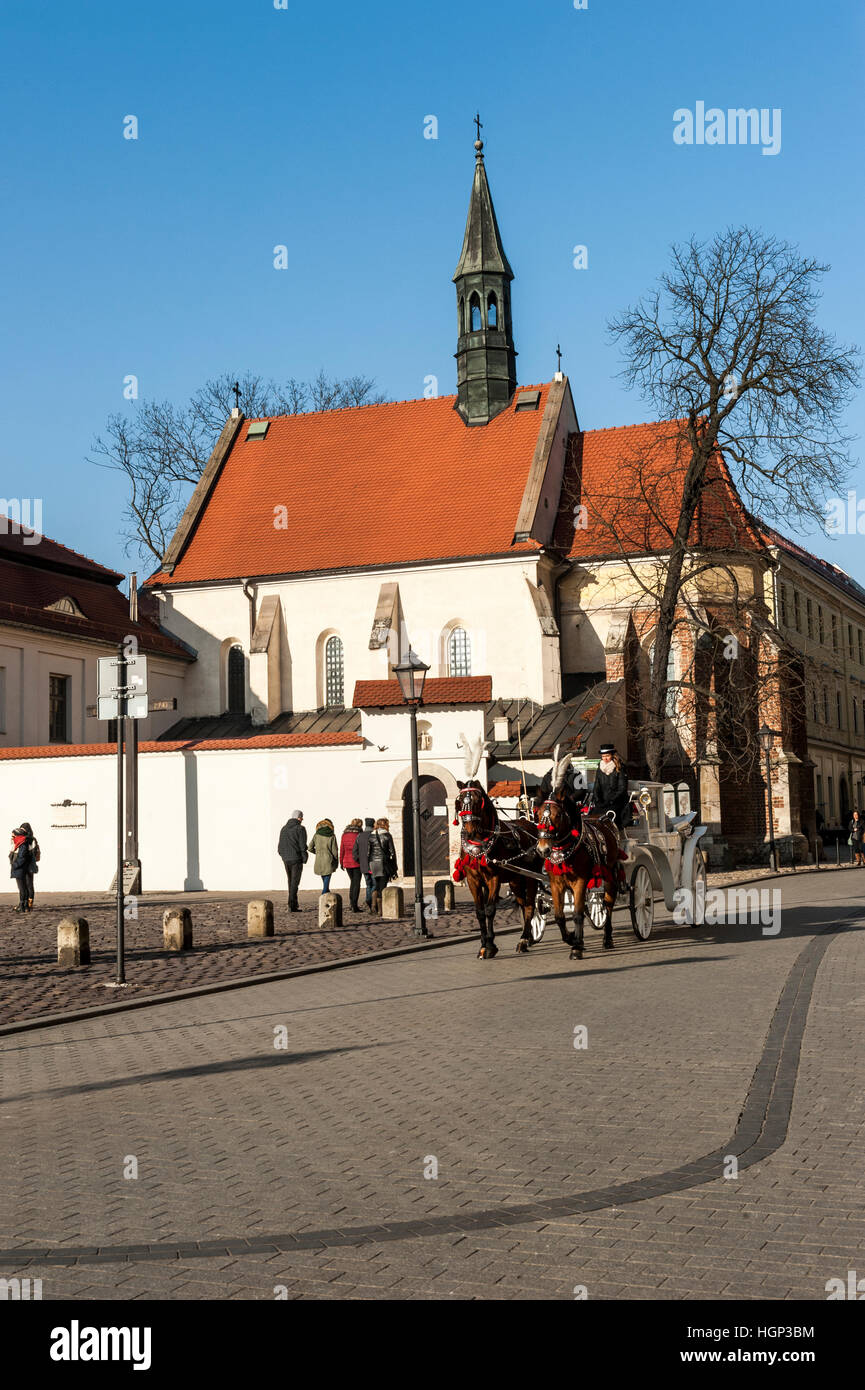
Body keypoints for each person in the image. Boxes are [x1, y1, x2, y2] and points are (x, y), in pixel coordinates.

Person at [590, 744, 630, 827]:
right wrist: (598, 800)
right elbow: (597, 786)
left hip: (617, 801)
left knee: (608, 815)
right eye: (603, 756)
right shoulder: (600, 769)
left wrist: (611, 800)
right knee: (593, 816)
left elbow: (622, 788)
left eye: (607, 755)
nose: (605, 758)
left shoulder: (619, 768)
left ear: (612, 755)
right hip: (603, 801)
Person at [366, 817, 398, 915]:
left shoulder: (371, 836)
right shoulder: (387, 835)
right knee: (382, 886)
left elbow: (368, 852)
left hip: (373, 863)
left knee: (376, 884)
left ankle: (373, 907)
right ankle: (380, 910)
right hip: (383, 863)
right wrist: (394, 866)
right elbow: (392, 852)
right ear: (386, 825)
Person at [277, 809, 308, 911]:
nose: (302, 819)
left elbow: (280, 845)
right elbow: (302, 845)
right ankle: (292, 905)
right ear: (299, 818)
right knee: (295, 882)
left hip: (286, 859)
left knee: (290, 881)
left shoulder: (284, 829)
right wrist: (304, 857)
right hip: (296, 858)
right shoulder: (300, 829)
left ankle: (293, 903)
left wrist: (283, 855)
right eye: (301, 817)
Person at [9, 822, 39, 912]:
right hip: (26, 864)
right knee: (25, 886)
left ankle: (28, 905)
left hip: (27, 865)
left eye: (23, 829)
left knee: (27, 885)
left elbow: (31, 853)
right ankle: (25, 904)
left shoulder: (28, 840)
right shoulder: (23, 839)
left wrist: (17, 864)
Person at [339, 818, 364, 912]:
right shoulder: (359, 835)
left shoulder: (344, 834)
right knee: (356, 883)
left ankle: (351, 903)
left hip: (346, 861)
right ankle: (354, 905)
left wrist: (341, 862)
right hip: (356, 862)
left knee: (352, 882)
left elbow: (342, 849)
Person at [309, 817, 339, 893]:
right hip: (328, 860)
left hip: (319, 860)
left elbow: (310, 848)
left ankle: (326, 893)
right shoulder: (332, 835)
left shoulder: (316, 835)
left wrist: (317, 852)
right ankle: (323, 896)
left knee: (325, 880)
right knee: (327, 881)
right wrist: (336, 861)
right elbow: (335, 851)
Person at [355, 816, 376, 910]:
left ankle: (368, 899)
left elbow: (355, 851)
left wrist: (359, 860)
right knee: (374, 884)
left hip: (363, 864)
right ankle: (370, 899)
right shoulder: (374, 835)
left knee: (368, 884)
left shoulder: (360, 836)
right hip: (372, 863)